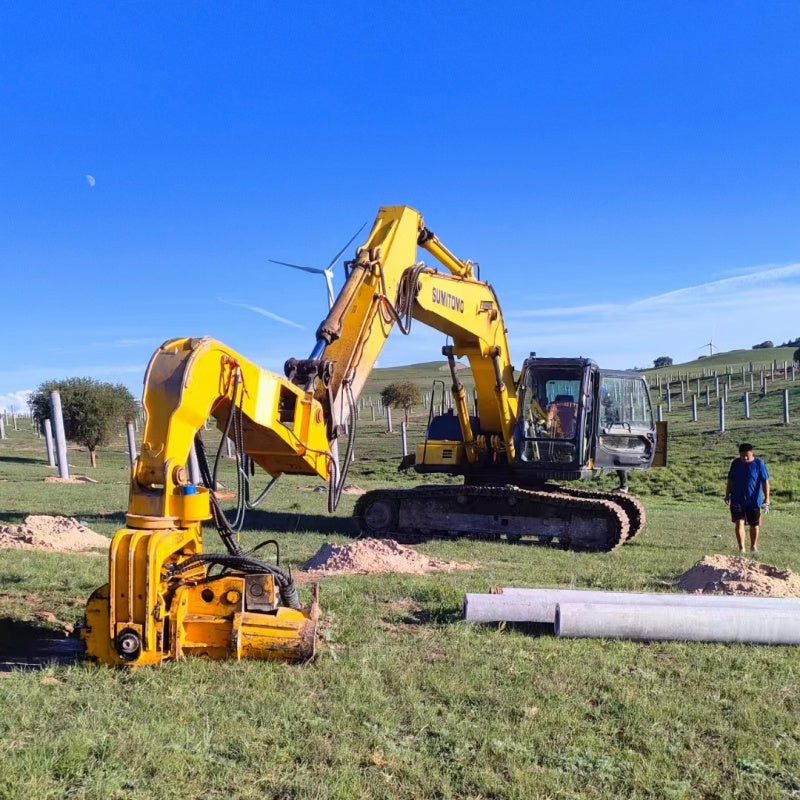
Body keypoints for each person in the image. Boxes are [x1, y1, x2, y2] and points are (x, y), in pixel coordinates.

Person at [724, 443, 770, 555]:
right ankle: (742, 549)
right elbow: (730, 480)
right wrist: (727, 494)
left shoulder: (759, 463)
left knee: (754, 524)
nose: (744, 458)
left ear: (752, 453)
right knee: (739, 523)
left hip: (754, 500)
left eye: (747, 456)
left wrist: (767, 498)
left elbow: (765, 481)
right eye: (742, 456)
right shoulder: (735, 463)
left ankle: (753, 547)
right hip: (737, 498)